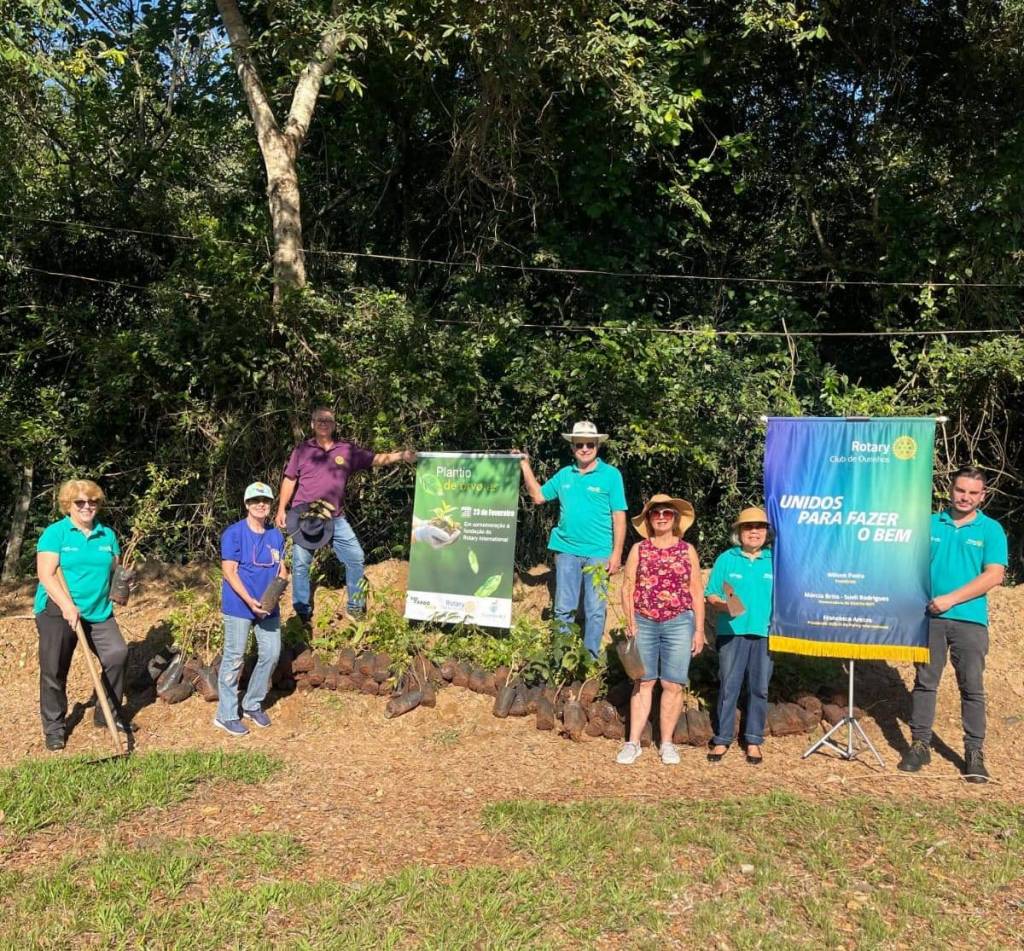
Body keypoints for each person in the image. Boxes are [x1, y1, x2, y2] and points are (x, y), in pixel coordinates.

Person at [898, 466, 1008, 783]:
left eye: (973, 493)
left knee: (971, 687)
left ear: (982, 496)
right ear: (950, 490)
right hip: (929, 618)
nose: (965, 497)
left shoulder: (991, 530)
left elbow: (994, 575)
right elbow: (907, 564)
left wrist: (951, 599)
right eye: (961, 490)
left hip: (970, 621)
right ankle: (920, 745)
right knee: (925, 682)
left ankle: (974, 753)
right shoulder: (929, 524)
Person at [275, 406, 416, 622]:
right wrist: (281, 508)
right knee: (301, 564)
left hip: (335, 517)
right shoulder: (302, 451)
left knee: (355, 557)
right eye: (319, 420)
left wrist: (401, 455)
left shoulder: (346, 450)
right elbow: (290, 479)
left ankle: (355, 608)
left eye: (328, 420)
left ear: (334, 425)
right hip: (305, 517)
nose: (323, 423)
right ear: (312, 424)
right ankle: (302, 613)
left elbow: (376, 459)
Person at [33, 479, 130, 751]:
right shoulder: (56, 534)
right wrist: (66, 605)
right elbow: (46, 575)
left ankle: (106, 714)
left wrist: (122, 586)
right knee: (54, 667)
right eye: (80, 502)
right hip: (57, 608)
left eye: (93, 501)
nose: (87, 506)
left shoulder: (106, 535)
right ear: (69, 505)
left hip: (98, 610)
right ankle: (54, 727)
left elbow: (114, 571)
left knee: (117, 654)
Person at [519, 421, 627, 657]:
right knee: (564, 607)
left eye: (590, 444)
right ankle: (562, 658)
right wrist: (525, 465)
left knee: (595, 609)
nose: (585, 448)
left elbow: (619, 516)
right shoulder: (564, 475)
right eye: (580, 444)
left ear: (597, 445)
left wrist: (617, 553)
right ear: (572, 447)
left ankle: (590, 659)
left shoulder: (611, 475)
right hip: (566, 550)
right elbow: (538, 496)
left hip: (599, 552)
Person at [616, 494, 704, 765]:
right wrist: (630, 620)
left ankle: (666, 743)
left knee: (673, 683)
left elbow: (696, 590)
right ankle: (633, 743)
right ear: (649, 519)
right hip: (644, 621)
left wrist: (699, 630)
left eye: (667, 512)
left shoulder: (687, 550)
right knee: (643, 681)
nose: (662, 517)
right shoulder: (639, 549)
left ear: (675, 518)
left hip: (679, 621)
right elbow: (628, 586)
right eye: (656, 513)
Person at [215, 481, 288, 737]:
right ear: (247, 504)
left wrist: (280, 585)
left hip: (268, 606)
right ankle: (225, 714)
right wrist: (249, 601)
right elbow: (229, 572)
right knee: (234, 658)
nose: (260, 504)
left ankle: (252, 703)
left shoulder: (275, 536)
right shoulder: (234, 534)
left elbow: (281, 568)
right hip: (239, 605)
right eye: (255, 500)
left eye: (265, 500)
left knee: (271, 653)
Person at [705, 507, 774, 765]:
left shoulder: (775, 560)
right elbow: (712, 594)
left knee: (760, 688)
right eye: (748, 527)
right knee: (728, 686)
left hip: (766, 633)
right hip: (731, 633)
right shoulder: (727, 559)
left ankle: (753, 740)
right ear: (739, 532)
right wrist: (723, 605)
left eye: (759, 527)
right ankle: (722, 738)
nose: (754, 531)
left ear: (766, 532)